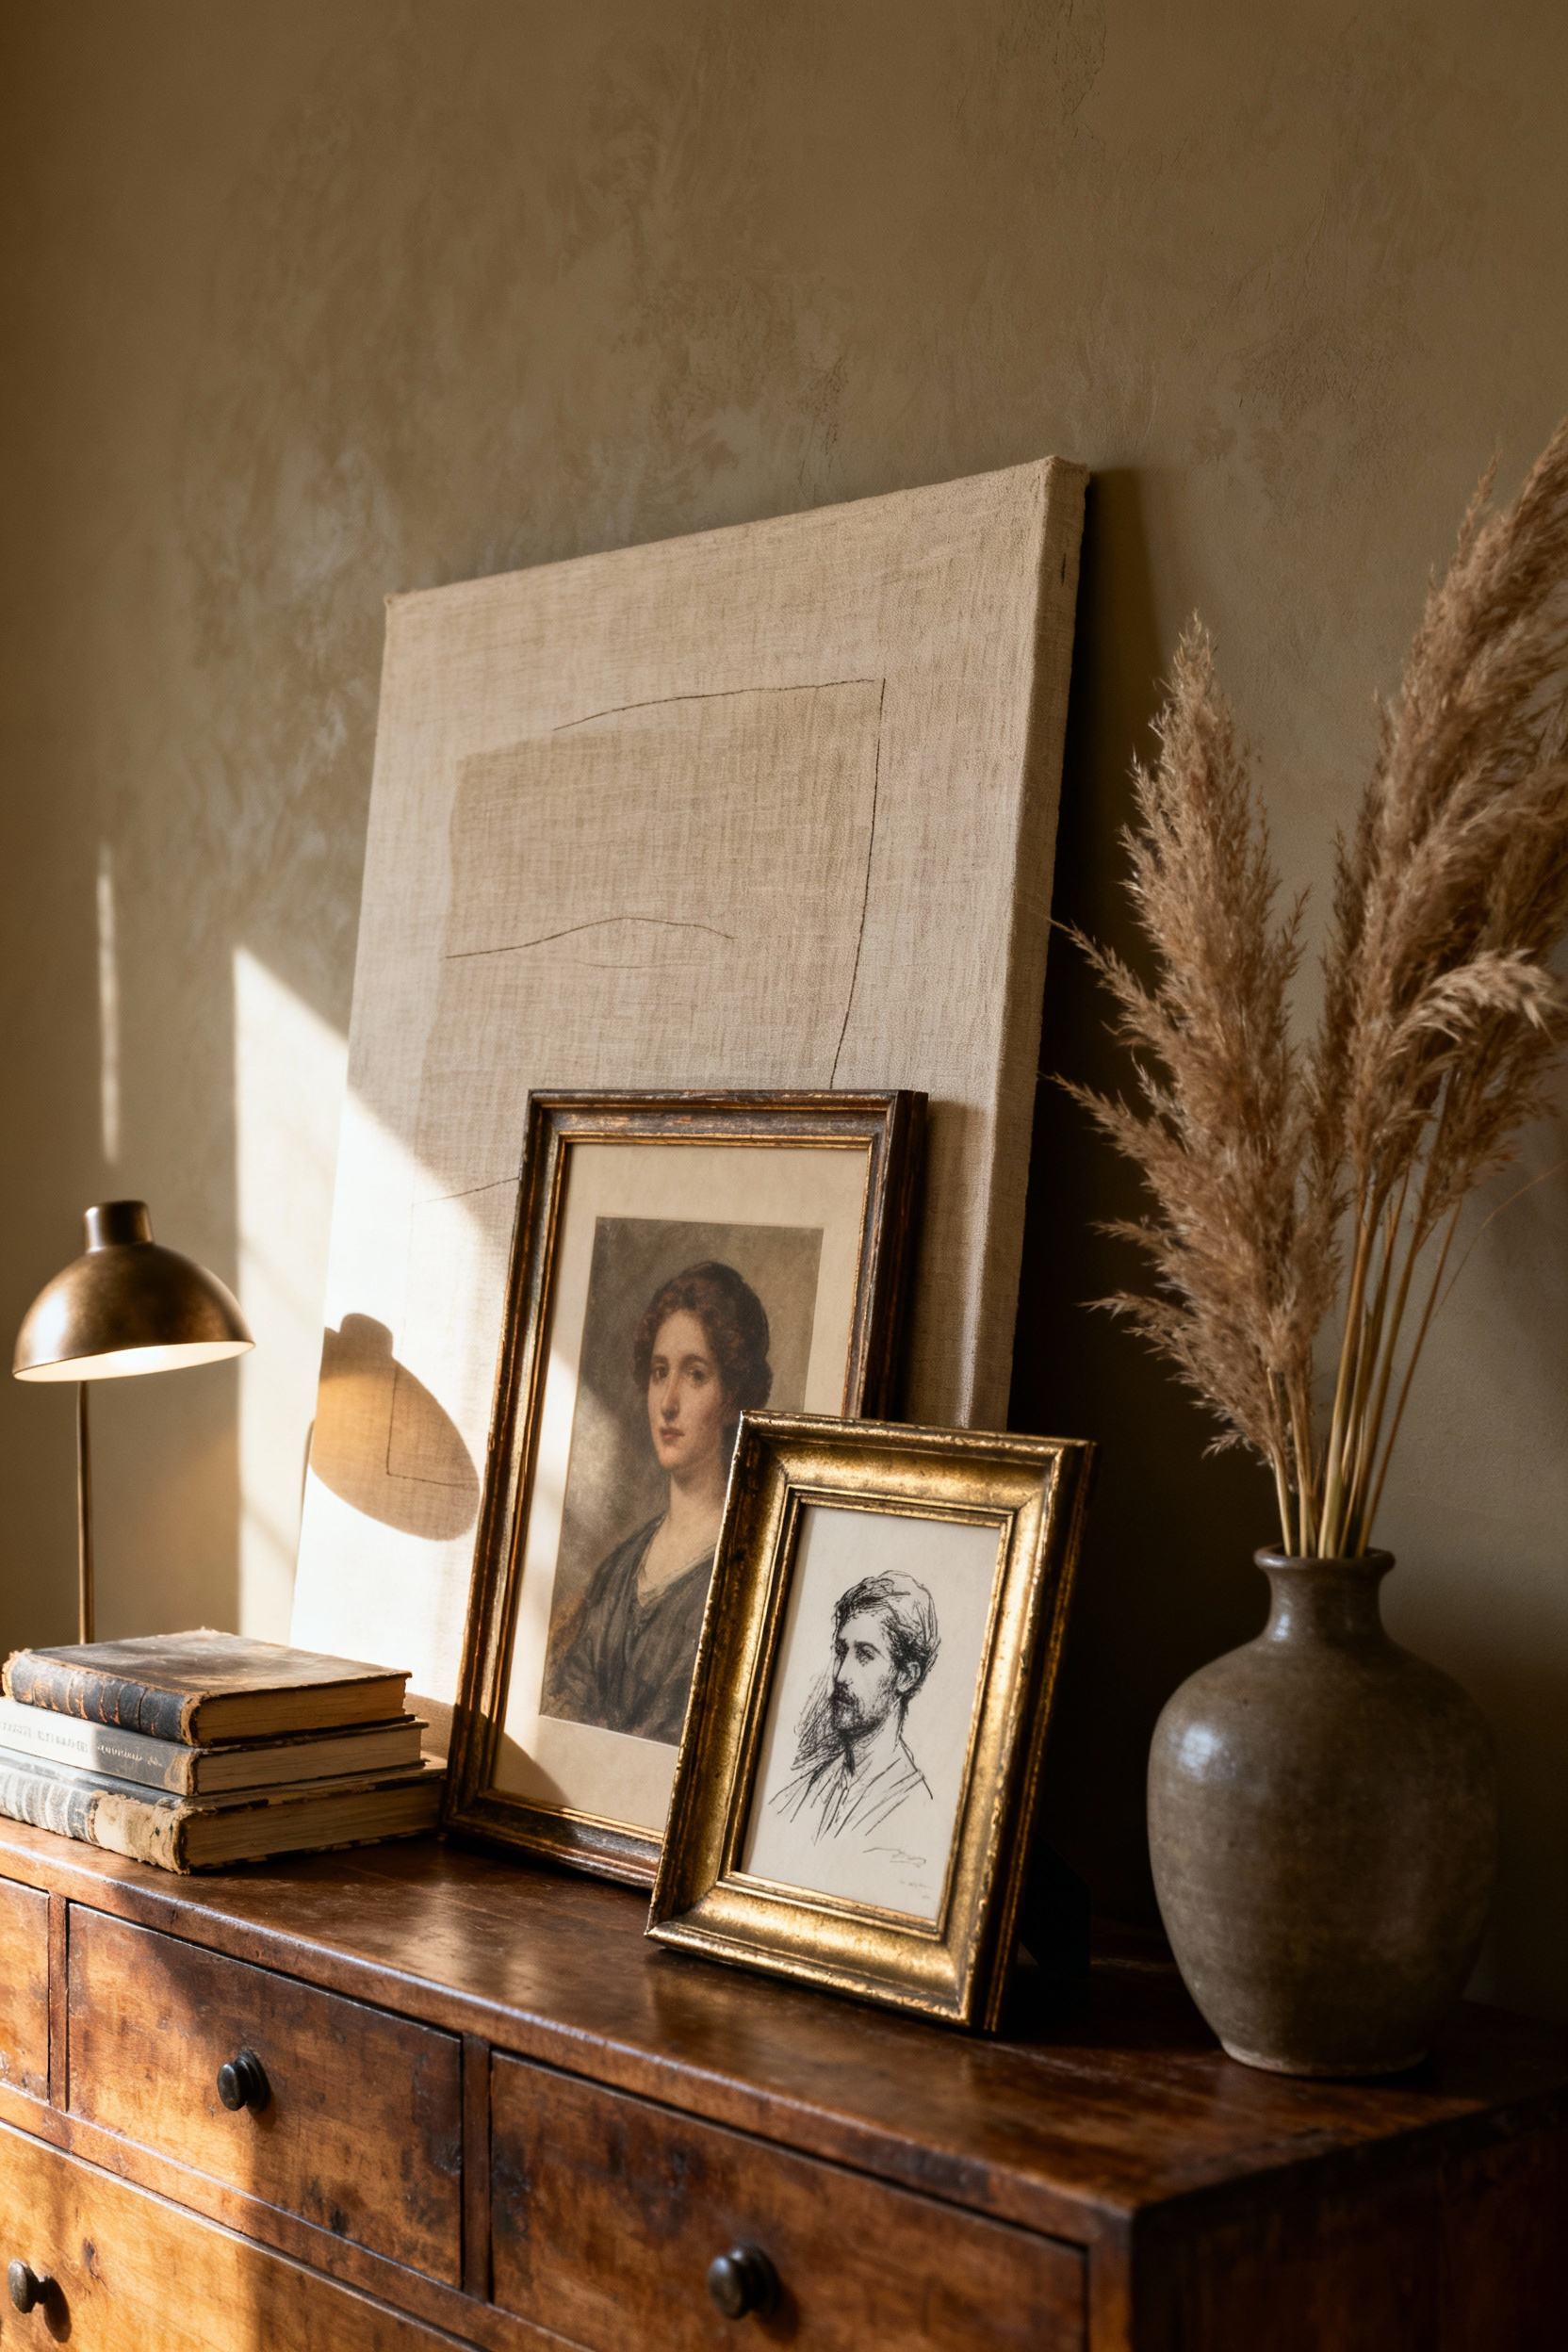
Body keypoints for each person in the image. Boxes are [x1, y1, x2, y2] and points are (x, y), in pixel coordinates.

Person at [545, 1261, 771, 1742]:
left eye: (695, 1375)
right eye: (659, 1372)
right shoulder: (618, 1570)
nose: (668, 1402)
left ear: (732, 1397)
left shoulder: (747, 1571)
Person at [771, 1571, 939, 1846]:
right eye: (841, 1652)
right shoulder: (799, 1795)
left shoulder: (916, 1813)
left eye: (865, 1655)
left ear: (906, 1677)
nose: (840, 1675)